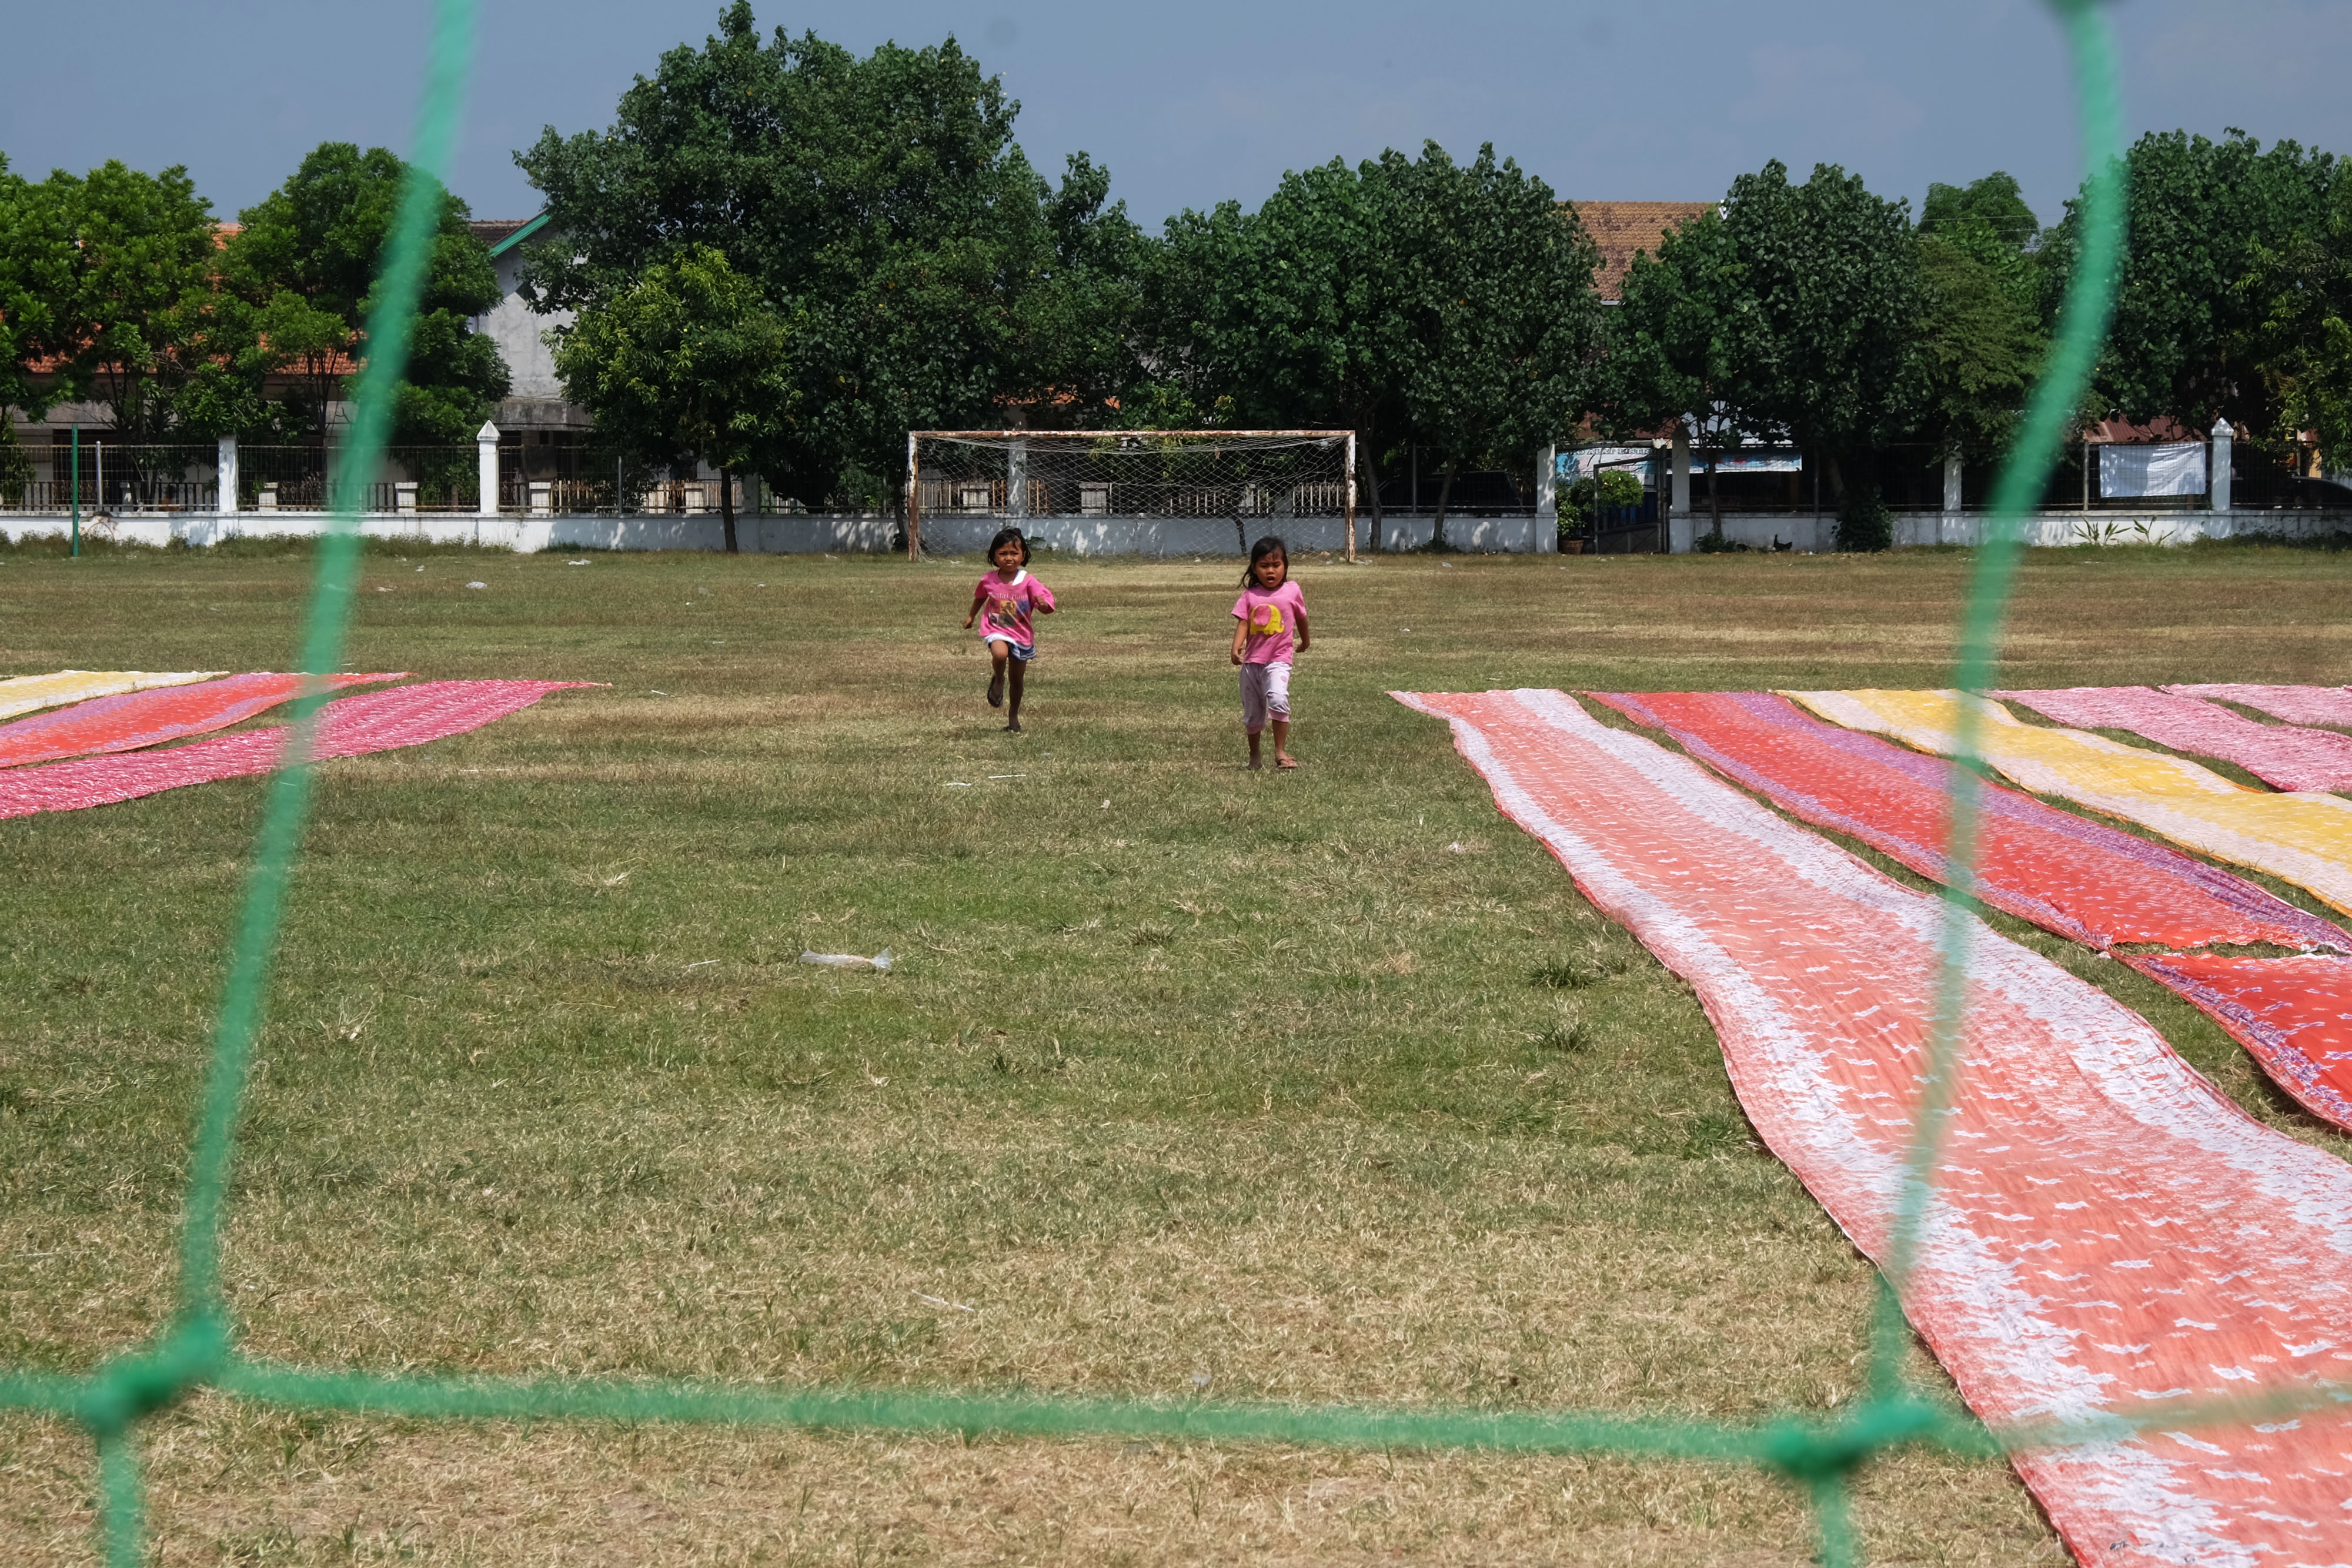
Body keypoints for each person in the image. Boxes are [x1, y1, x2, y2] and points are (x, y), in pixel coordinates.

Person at [962, 526, 1055, 732]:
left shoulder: (1028, 581)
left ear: (1024, 555)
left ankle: (1013, 717)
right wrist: (971, 616)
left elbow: (1046, 606)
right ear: (994, 556)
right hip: (996, 627)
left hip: (1021, 634)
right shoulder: (989, 579)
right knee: (1000, 653)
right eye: (1003, 553)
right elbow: (980, 597)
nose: (1009, 558)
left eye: (1014, 553)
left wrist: (1043, 604)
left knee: (1017, 679)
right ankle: (998, 678)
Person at [1230, 534, 1308, 769]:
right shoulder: (1250, 595)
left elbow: (1301, 617)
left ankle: (1280, 751)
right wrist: (1236, 646)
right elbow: (1244, 622)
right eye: (1264, 566)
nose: (1271, 571)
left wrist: (1305, 640)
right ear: (1255, 568)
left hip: (1278, 661)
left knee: (1278, 698)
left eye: (1276, 565)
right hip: (1252, 664)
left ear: (1285, 566)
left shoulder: (1292, 590)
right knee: (1253, 713)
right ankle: (1255, 756)